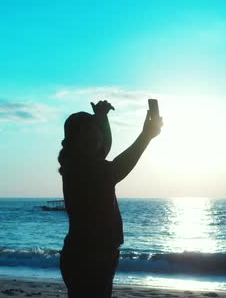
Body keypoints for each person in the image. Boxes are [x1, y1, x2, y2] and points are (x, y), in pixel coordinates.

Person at [58, 100, 162, 298]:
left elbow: (104, 146)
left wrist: (102, 118)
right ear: (76, 140)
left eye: (96, 131)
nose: (96, 135)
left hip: (91, 254)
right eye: (90, 132)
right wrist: (146, 136)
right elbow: (118, 167)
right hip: (89, 257)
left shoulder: (79, 161)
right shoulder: (83, 169)